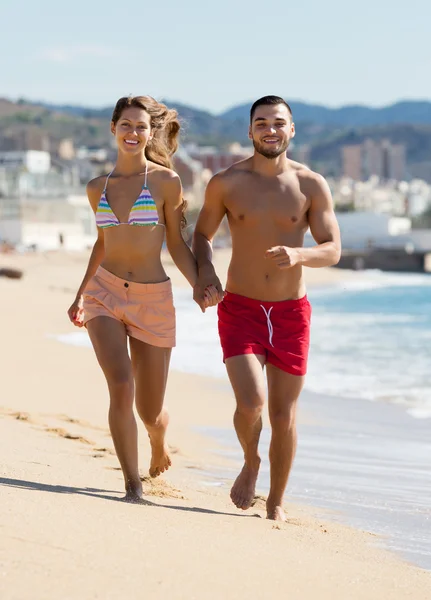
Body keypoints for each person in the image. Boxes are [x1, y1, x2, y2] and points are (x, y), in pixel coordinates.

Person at [192, 95, 341, 521]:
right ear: (250, 130)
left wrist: (300, 256)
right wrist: (206, 273)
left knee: (283, 413)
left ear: (292, 130)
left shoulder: (311, 184)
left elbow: (333, 249)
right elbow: (201, 235)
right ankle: (251, 460)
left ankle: (275, 504)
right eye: (261, 122)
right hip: (240, 308)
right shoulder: (226, 182)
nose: (270, 130)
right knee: (251, 401)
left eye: (278, 123)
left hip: (292, 313)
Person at [67, 95, 209, 502]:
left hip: (153, 299)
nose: (133, 133)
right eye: (126, 125)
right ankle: (132, 485)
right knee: (121, 384)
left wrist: (200, 284)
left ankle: (158, 438)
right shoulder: (98, 187)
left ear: (151, 133)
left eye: (141, 127)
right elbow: (101, 243)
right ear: (114, 129)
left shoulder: (166, 181)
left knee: (149, 410)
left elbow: (178, 244)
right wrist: (81, 294)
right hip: (104, 293)